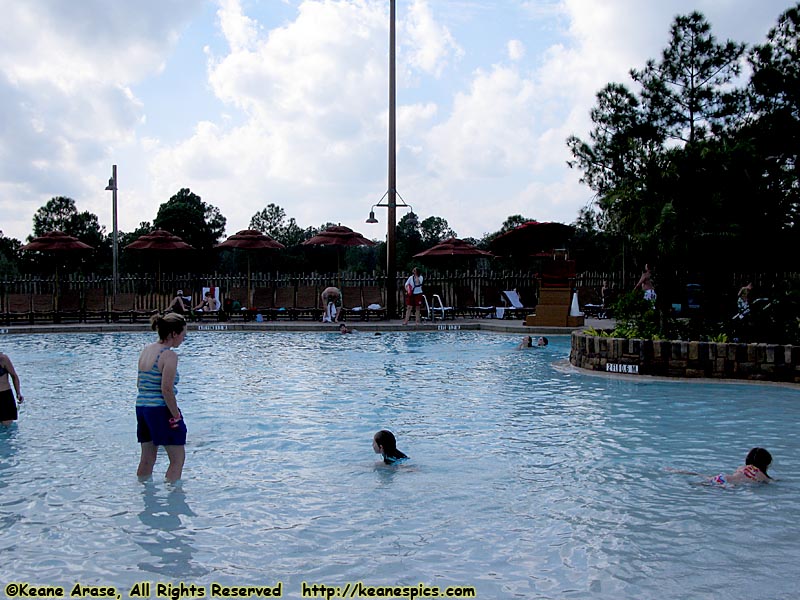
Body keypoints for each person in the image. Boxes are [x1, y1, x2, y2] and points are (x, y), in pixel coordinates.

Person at [136, 313, 188, 483]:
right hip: (160, 409)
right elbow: (166, 389)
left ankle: (145, 495)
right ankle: (174, 501)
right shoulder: (169, 355)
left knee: (147, 458)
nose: (184, 338)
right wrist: (175, 415)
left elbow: (139, 383)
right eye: (183, 334)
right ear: (174, 333)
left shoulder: (147, 350)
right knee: (177, 459)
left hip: (142, 408)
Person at [669, 447, 773, 486]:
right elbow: (771, 482)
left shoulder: (742, 467)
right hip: (729, 483)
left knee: (703, 476)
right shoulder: (763, 476)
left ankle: (676, 471)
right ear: (766, 463)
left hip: (723, 477)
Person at [0, 352, 23, 426]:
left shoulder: (3, 359)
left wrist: (18, 393)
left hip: (4, 396)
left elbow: (14, 376)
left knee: (7, 428)